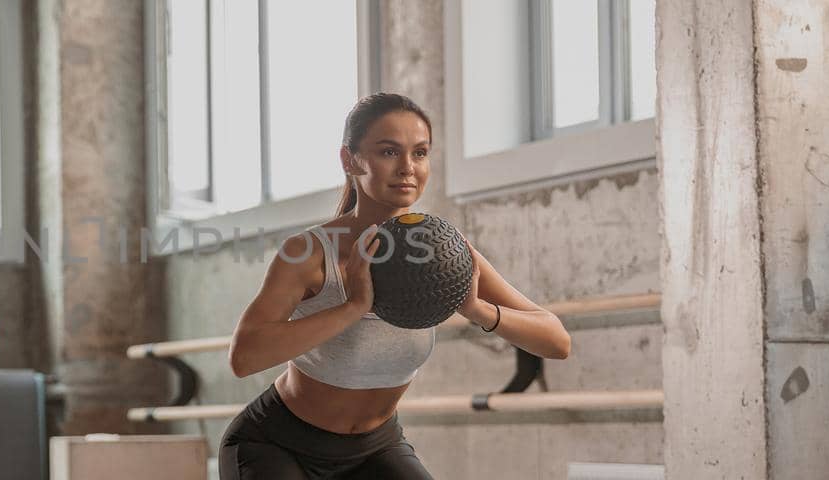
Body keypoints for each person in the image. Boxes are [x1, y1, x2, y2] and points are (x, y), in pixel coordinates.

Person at [220, 93, 572, 479]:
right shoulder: (308, 253)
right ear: (350, 160)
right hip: (274, 445)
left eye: (420, 153)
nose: (407, 167)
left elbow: (556, 341)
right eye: (389, 152)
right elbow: (244, 357)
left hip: (373, 448)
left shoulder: (444, 254)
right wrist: (352, 306)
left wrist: (477, 310)